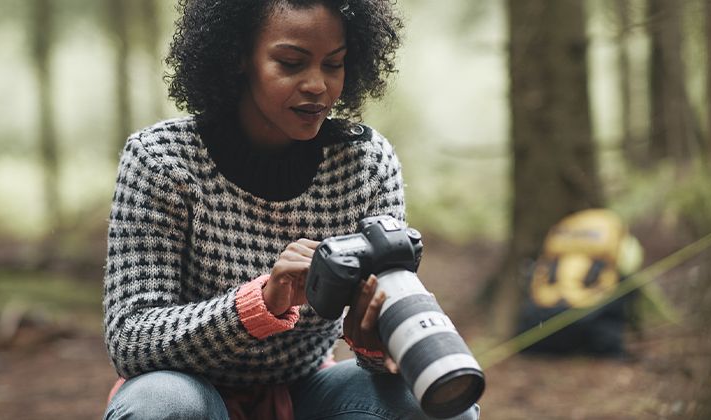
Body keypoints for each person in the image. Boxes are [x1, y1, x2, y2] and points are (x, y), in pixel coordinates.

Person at [102, 0, 480, 419]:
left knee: (433, 406)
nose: (317, 85)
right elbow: (130, 340)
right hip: (188, 391)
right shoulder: (162, 161)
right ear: (238, 56)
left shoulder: (366, 165)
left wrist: (374, 342)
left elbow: (380, 359)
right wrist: (259, 304)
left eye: (333, 64)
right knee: (162, 406)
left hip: (308, 391)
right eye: (291, 62)